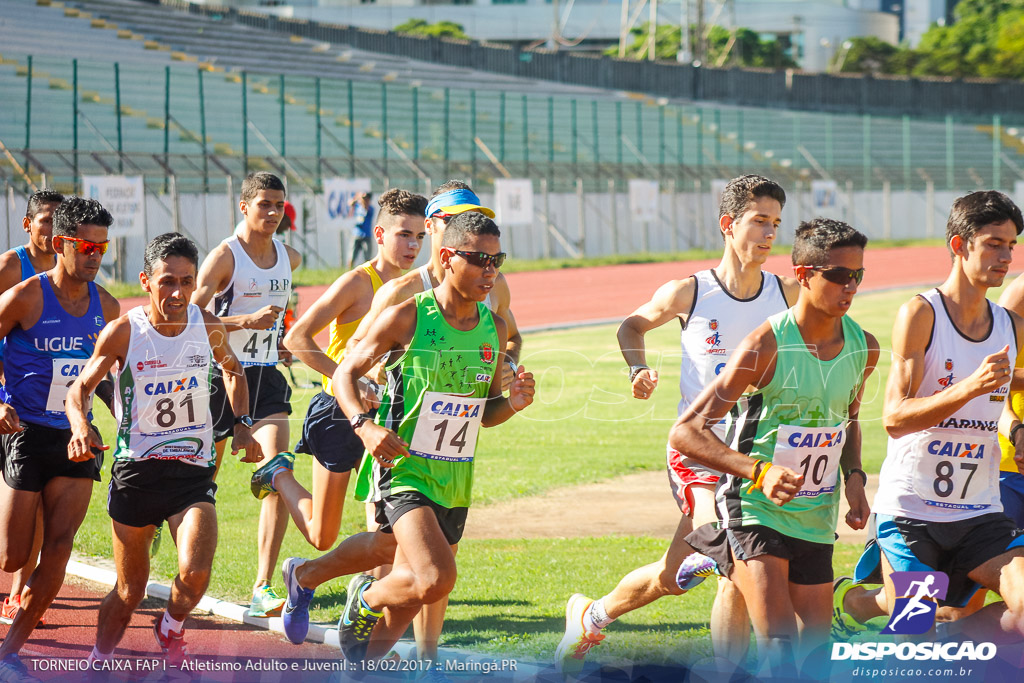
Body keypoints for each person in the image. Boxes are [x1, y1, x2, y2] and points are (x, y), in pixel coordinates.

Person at [555, 174, 799, 673]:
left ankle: (590, 616)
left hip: (755, 454)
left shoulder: (786, 292)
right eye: (759, 221)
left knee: (673, 576)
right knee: (734, 557)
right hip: (697, 451)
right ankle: (727, 670)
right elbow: (632, 324)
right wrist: (637, 368)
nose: (770, 233)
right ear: (729, 225)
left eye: (776, 223)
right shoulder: (691, 292)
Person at [279, 182, 521, 658]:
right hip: (397, 451)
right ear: (440, 236)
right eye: (477, 256)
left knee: (390, 558)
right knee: (426, 573)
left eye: (496, 259)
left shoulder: (490, 297)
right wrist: (366, 419)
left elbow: (507, 347)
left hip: (454, 465)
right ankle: (369, 609)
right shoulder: (402, 298)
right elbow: (350, 365)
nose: (489, 268)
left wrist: (510, 384)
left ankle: (352, 643)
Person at [674, 217, 877, 675]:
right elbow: (686, 432)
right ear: (804, 275)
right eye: (839, 275)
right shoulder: (765, 344)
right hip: (754, 508)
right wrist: (758, 472)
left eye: (858, 275)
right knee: (780, 645)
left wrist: (856, 478)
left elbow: (848, 420)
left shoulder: (864, 347)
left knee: (814, 660)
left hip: (815, 515)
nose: (851, 287)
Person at [834, 191, 1024, 643]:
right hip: (912, 512)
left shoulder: (1010, 326)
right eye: (994, 243)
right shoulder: (921, 313)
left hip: (980, 511)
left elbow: (1003, 389)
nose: (1006, 256)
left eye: (1012, 246)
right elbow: (895, 417)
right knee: (915, 628)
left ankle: (954, 634)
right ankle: (852, 604)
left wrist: (1014, 424)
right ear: (959, 245)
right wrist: (970, 387)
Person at [65, 233, 261, 666]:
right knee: (130, 591)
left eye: (186, 282)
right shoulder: (124, 332)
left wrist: (243, 425)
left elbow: (234, 371)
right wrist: (80, 425)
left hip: (191, 473)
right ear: (146, 282)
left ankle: (170, 624)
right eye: (168, 281)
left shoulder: (206, 325)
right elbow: (79, 388)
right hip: (138, 473)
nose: (177, 292)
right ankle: (99, 659)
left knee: (195, 573)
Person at [250, 190, 426, 577]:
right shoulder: (358, 283)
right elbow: (296, 339)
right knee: (321, 536)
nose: (412, 245)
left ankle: (369, 598)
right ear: (378, 234)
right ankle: (277, 472)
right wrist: (349, 380)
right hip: (337, 412)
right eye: (403, 235)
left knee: (386, 523)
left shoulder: (419, 289)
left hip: (384, 419)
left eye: (419, 237)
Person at [0, 197, 120, 681]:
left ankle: (9, 652)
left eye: (103, 247)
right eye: (87, 245)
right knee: (11, 555)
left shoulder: (108, 307)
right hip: (25, 432)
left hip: (75, 437)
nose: (95, 255)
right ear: (61, 243)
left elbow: (108, 376)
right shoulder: (27, 295)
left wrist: (121, 417)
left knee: (59, 548)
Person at [192, 171, 301, 618]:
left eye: (279, 205)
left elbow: (279, 312)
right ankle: (179, 556)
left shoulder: (289, 256)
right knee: (200, 484)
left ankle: (263, 585)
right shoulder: (224, 257)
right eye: (265, 205)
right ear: (244, 207)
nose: (273, 213)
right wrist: (243, 324)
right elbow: (188, 315)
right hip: (221, 377)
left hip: (266, 378)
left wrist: (276, 339)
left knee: (278, 472)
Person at [0, 189, 62, 627]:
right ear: (28, 224)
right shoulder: (10, 266)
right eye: (45, 219)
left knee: (37, 499)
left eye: (61, 221)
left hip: (42, 407)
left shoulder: (69, 271)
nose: (53, 228)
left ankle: (19, 593)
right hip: (6, 397)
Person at [349, 192, 375, 269]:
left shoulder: (371, 209)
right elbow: (350, 203)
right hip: (356, 234)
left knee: (367, 257)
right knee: (352, 255)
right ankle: (349, 271)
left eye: (366, 199)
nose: (364, 200)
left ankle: (368, 273)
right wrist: (358, 198)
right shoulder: (357, 207)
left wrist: (363, 202)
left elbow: (366, 209)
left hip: (366, 235)